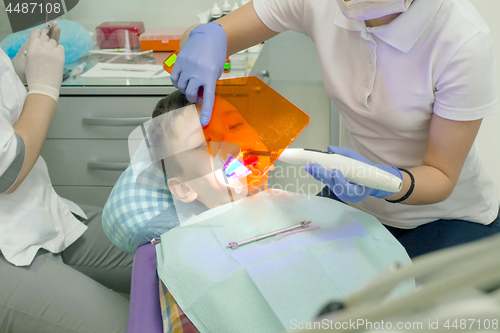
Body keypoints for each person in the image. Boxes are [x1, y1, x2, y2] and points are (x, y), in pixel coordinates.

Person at [170, 0, 500, 258]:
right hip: (355, 204)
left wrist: (386, 181)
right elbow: (210, 35)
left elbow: (441, 175)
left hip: (446, 217)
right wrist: (202, 39)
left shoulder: (462, 42)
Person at [110, 90, 413, 333]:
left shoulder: (328, 216)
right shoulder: (161, 258)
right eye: (205, 143)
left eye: (236, 127)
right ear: (184, 188)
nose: (230, 146)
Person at [0, 23, 133, 333]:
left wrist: (17, 77)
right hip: (6, 243)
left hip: (31, 215)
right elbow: (7, 170)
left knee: (174, 250)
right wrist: (43, 87)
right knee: (131, 324)